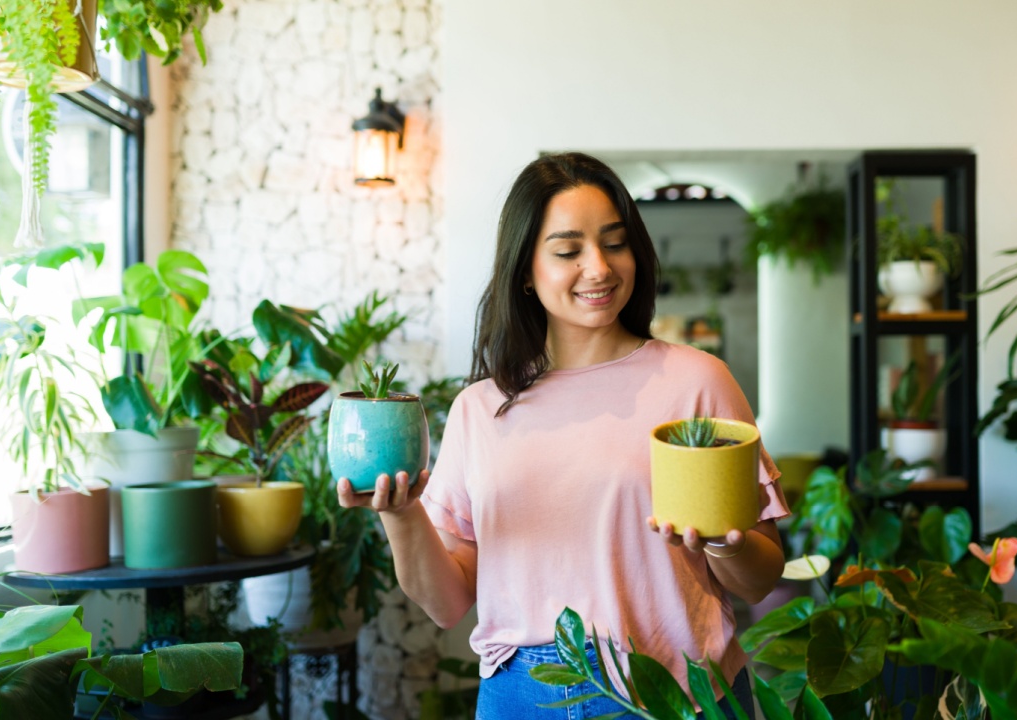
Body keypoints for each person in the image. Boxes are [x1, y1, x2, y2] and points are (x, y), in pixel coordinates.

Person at [337, 152, 789, 719]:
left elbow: (759, 578)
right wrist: (401, 515)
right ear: (526, 270)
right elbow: (448, 603)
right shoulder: (481, 409)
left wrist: (723, 542)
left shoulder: (696, 381)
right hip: (523, 697)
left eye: (614, 242)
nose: (598, 268)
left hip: (677, 695)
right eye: (569, 250)